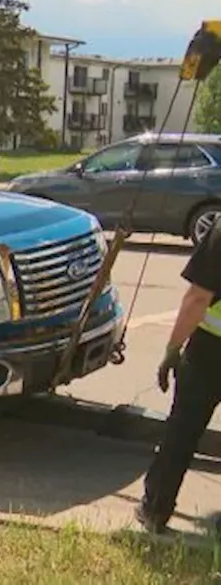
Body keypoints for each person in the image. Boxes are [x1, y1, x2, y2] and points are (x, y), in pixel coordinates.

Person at [139, 223, 221, 533]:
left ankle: (156, 508)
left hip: (210, 353)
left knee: (181, 433)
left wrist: (172, 349)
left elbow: (198, 298)